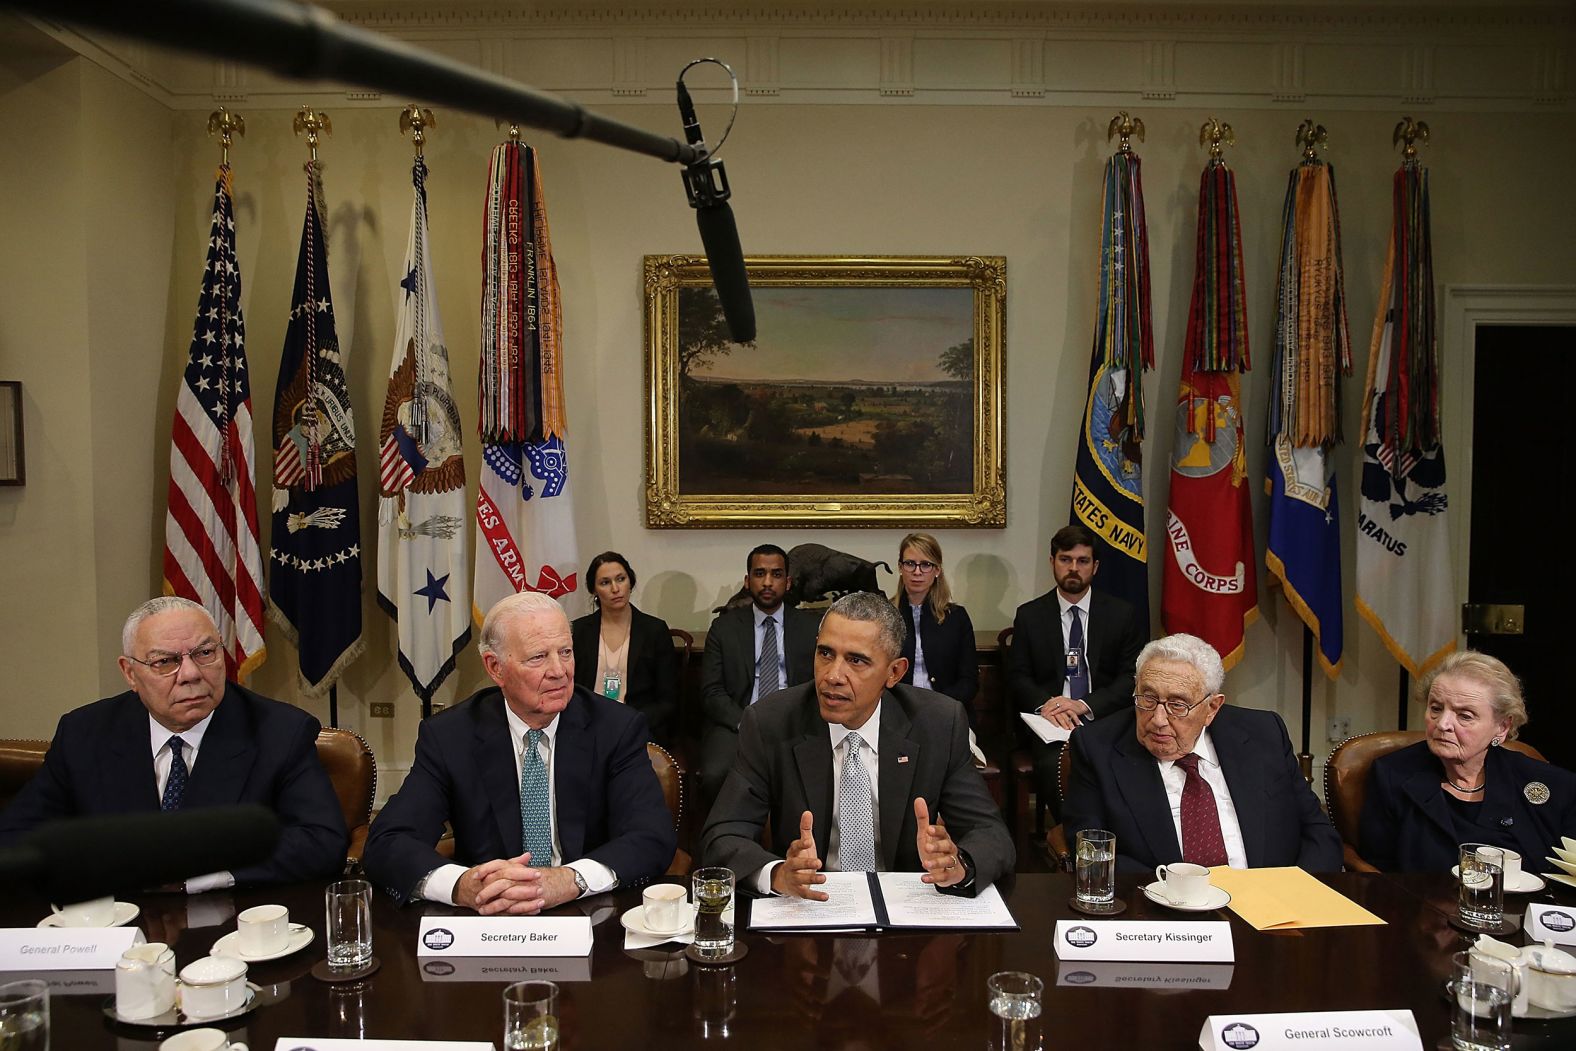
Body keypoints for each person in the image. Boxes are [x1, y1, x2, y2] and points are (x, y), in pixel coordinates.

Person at [0, 596, 347, 889]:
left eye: (205, 653)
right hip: (116, 929)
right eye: (165, 661)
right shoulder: (84, 734)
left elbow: (321, 841)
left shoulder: (280, 731)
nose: (191, 674)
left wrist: (201, 873)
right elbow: (17, 836)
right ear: (130, 673)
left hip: (226, 930)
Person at [363, 592, 676, 912]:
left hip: (587, 910)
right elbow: (387, 842)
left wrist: (569, 879)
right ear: (495, 668)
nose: (559, 671)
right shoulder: (450, 736)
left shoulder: (615, 728)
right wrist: (463, 885)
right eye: (538, 657)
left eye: (565, 652)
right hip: (487, 916)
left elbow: (651, 836)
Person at [701, 592, 1014, 898]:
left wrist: (959, 865)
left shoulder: (938, 723)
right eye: (825, 654)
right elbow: (723, 836)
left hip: (906, 907)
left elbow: (991, 835)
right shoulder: (771, 722)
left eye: (856, 660)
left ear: (895, 672)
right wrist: (777, 874)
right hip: (810, 908)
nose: (833, 675)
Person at [1064, 632, 1342, 874]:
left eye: (1177, 704)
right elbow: (1092, 853)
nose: (1158, 718)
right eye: (1147, 698)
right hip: (1163, 914)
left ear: (1211, 708)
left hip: (1271, 910)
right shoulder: (1097, 747)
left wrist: (1293, 895)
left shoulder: (1264, 735)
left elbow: (1318, 833)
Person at [1359, 650, 1576, 874]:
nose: (1443, 724)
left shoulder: (1554, 786)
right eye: (1436, 708)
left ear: (1502, 727)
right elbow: (1377, 874)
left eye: (1465, 716)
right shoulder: (1392, 775)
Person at [1006, 524, 1145, 818]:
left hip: (1104, 717)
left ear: (1095, 566)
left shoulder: (1121, 614)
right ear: (1052, 562)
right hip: (1052, 722)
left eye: (1082, 561)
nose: (1073, 568)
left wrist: (1083, 705)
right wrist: (1051, 705)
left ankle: (1110, 841)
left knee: (1124, 765)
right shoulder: (1030, 615)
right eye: (1065, 559)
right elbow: (1017, 676)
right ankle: (1071, 840)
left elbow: (1130, 678)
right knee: (1056, 764)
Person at [699, 544, 818, 802]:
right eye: (759, 573)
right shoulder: (724, 628)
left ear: (787, 582)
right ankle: (723, 839)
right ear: (747, 580)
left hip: (794, 722)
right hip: (737, 722)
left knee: (812, 776)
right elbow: (711, 692)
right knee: (714, 774)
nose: (767, 582)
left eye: (776, 575)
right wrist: (745, 722)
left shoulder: (812, 628)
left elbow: (819, 684)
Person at [570, 552, 679, 747]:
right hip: (586, 725)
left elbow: (667, 700)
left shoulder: (654, 630)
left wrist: (629, 723)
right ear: (593, 590)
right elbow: (569, 689)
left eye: (620, 579)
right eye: (605, 582)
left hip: (637, 725)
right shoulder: (578, 631)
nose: (615, 589)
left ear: (631, 581)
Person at [893, 533, 978, 724]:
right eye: (910, 564)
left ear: (937, 570)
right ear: (900, 567)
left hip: (947, 712)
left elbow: (969, 681)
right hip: (897, 714)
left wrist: (938, 706)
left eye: (926, 564)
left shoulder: (956, 617)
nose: (917, 572)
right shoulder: (884, 615)